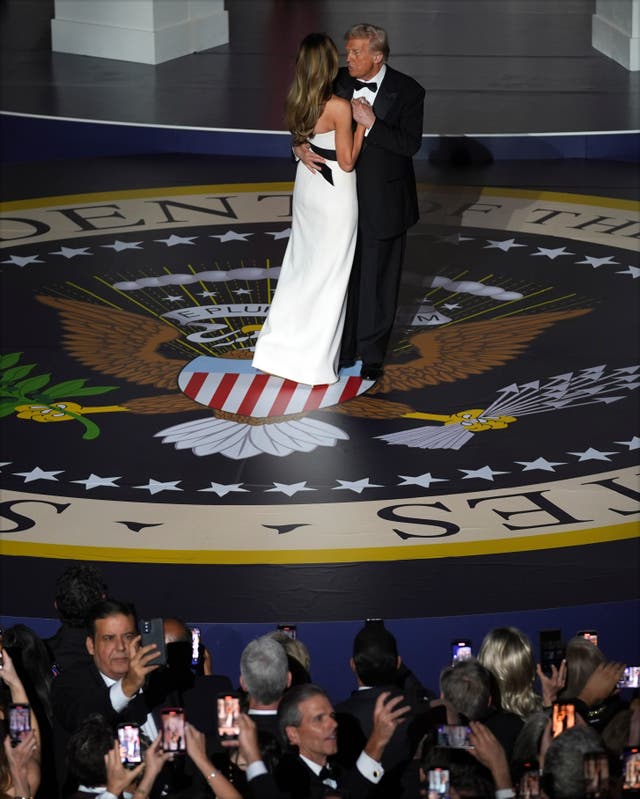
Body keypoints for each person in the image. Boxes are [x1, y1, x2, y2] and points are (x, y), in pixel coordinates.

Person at [296, 23, 425, 382]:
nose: (347, 57)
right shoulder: (334, 81)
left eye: (355, 52)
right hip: (338, 200)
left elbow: (410, 145)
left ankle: (372, 356)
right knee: (341, 276)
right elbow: (305, 115)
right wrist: (296, 145)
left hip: (384, 202)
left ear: (377, 56)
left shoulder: (409, 91)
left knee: (378, 281)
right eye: (347, 51)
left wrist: (373, 123)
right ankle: (343, 346)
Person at [252, 32, 365, 386]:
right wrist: (364, 124)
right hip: (334, 197)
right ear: (330, 64)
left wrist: (299, 146)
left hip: (307, 188)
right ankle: (312, 364)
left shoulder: (297, 97)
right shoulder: (339, 106)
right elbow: (346, 162)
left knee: (300, 269)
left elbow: (300, 139)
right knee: (330, 276)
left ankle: (277, 352)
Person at [243, 683, 411, 798]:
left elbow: (354, 790)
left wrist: (379, 740)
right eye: (319, 719)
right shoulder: (287, 781)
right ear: (293, 734)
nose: (334, 724)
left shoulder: (338, 770)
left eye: (332, 716)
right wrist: (377, 740)